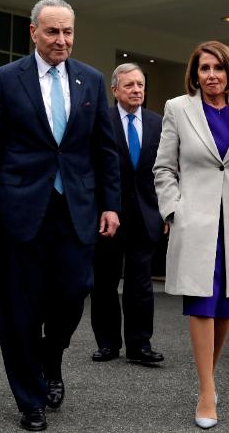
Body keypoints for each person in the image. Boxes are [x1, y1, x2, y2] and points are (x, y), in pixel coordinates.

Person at [0, 0, 120, 431]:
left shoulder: (90, 80)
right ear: (33, 32)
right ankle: (29, 397)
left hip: (76, 210)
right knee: (18, 309)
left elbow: (104, 152)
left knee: (74, 293)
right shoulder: (6, 79)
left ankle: (50, 360)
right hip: (18, 211)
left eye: (68, 32)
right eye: (52, 32)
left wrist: (111, 204)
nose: (62, 40)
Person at [153, 40, 229, 429]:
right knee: (201, 304)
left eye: (218, 68)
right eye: (204, 69)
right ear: (195, 73)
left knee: (225, 308)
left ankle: (209, 379)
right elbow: (164, 168)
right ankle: (206, 392)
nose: (211, 76)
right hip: (197, 223)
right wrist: (174, 210)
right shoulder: (178, 109)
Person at [90, 63, 165, 364]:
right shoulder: (101, 120)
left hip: (146, 215)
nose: (136, 90)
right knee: (105, 282)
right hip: (108, 214)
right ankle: (108, 344)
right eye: (129, 85)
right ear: (114, 90)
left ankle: (139, 346)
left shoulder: (158, 123)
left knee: (141, 284)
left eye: (140, 85)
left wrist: (166, 213)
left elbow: (168, 170)